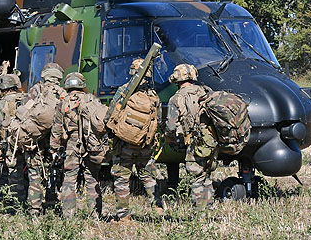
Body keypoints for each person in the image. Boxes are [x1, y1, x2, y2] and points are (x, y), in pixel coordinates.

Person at [107, 58, 163, 222]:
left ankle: (124, 215)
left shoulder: (124, 91)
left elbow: (111, 114)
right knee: (149, 176)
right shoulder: (153, 96)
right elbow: (157, 120)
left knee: (122, 179)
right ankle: (158, 207)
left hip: (124, 144)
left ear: (132, 72)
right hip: (144, 145)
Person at [50, 72, 106, 218]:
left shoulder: (63, 103)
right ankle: (95, 215)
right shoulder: (92, 100)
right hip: (91, 141)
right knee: (92, 177)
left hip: (72, 143)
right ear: (82, 85)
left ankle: (69, 216)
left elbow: (56, 128)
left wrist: (54, 148)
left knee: (69, 178)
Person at [165, 63, 217, 211]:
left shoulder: (176, 98)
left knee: (197, 179)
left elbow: (171, 126)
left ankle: (200, 214)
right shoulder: (205, 92)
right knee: (207, 176)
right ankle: (208, 211)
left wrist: (169, 139)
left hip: (196, 142)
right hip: (211, 141)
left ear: (176, 78)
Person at [25, 62, 67, 215]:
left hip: (36, 137)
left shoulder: (35, 90)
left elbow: (25, 111)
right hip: (55, 138)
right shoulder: (63, 93)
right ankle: (51, 202)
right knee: (54, 170)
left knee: (34, 173)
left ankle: (35, 208)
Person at [0, 74, 28, 208]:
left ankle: (15, 204)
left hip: (10, 142)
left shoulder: (1, 103)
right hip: (27, 142)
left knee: (12, 173)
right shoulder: (26, 99)